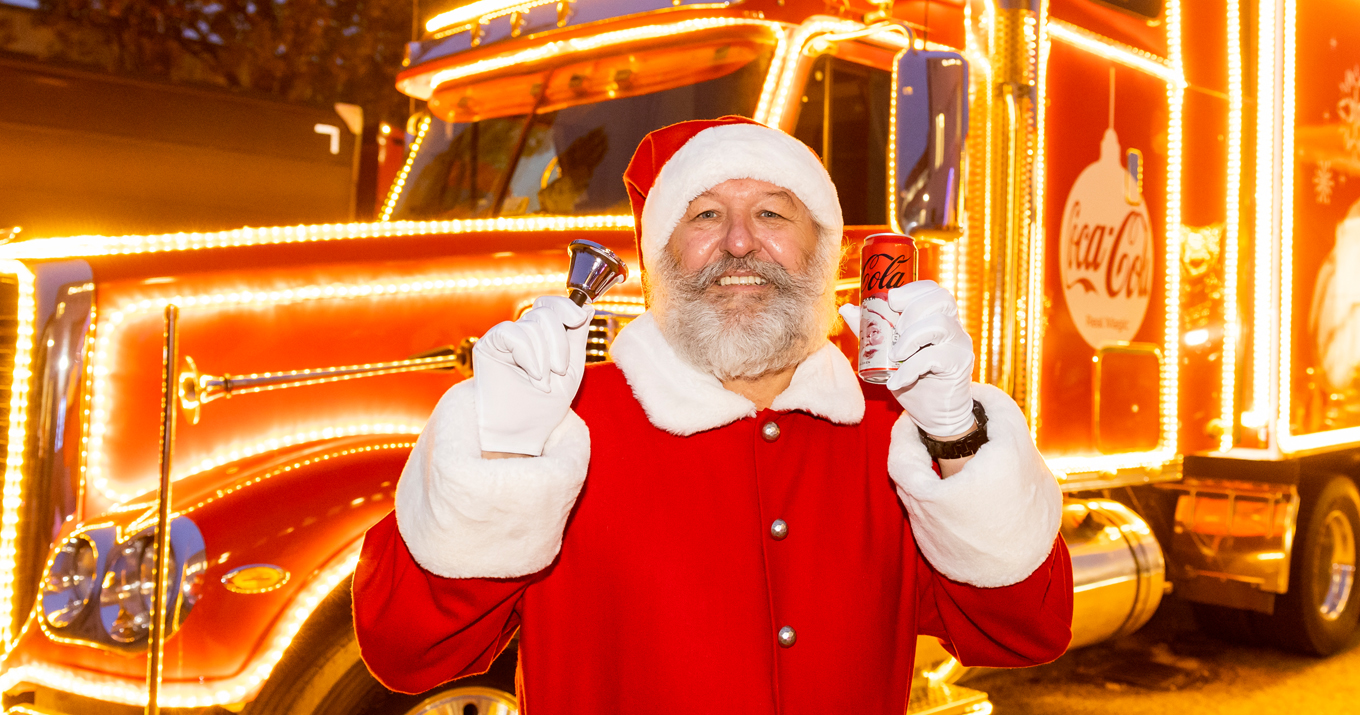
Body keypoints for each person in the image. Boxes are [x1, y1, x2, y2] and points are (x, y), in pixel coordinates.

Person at [352, 115, 1072, 714]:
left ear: (822, 253)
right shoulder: (567, 425)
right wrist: (503, 455)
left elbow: (1026, 633)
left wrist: (954, 435)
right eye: (703, 214)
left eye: (771, 212)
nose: (737, 242)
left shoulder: (888, 431)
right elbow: (407, 653)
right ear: (658, 255)